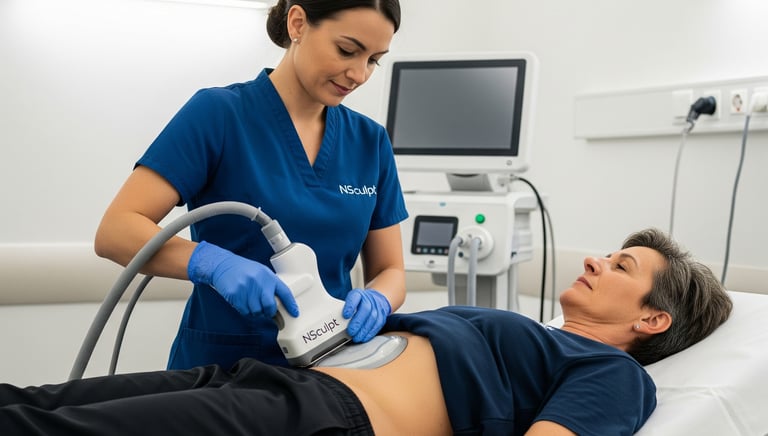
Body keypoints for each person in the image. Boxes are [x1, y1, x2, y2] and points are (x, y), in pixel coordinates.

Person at [1, 228, 732, 435]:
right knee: (35, 404)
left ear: (651, 319)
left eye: (622, 265)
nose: (597, 259)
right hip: (279, 382)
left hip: (328, 416)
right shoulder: (537, 333)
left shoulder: (614, 374)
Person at [93, 0, 408, 371]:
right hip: (219, 372)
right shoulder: (219, 114)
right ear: (298, 23)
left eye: (373, 60)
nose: (359, 74)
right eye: (346, 50)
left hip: (328, 368)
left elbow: (391, 269)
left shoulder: (370, 142)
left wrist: (378, 300)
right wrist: (212, 264)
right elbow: (116, 231)